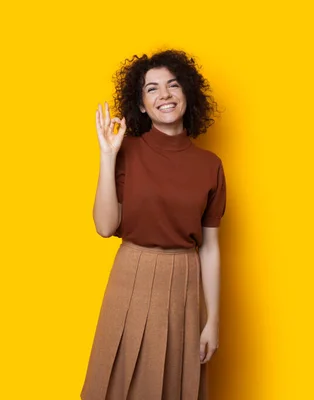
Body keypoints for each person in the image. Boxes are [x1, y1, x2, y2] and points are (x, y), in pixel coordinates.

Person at [81, 49, 226, 400]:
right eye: (152, 89)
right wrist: (107, 155)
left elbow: (209, 248)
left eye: (173, 85)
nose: (165, 95)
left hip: (185, 281)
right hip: (132, 274)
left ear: (186, 95)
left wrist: (213, 320)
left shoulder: (210, 165)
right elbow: (104, 226)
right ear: (142, 106)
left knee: (174, 388)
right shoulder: (125, 150)